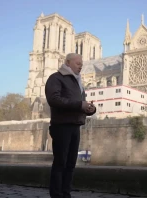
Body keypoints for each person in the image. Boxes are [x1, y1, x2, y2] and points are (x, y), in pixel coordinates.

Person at [45, 53, 96, 198]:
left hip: (75, 126)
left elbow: (80, 105)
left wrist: (90, 109)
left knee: (71, 165)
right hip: (61, 126)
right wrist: (80, 104)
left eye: (82, 64)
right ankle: (56, 195)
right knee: (60, 163)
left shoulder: (78, 82)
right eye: (78, 63)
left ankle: (66, 194)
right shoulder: (56, 78)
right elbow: (54, 100)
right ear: (67, 63)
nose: (81, 66)